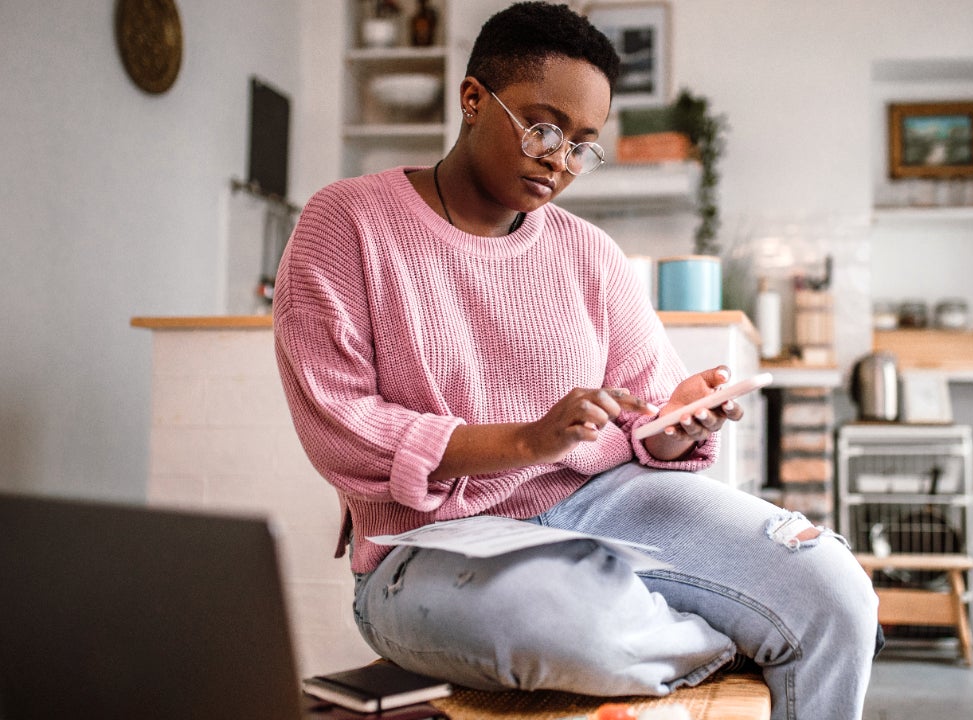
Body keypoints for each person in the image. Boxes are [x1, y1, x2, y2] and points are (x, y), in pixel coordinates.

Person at [273, 3, 879, 718]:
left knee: (835, 591)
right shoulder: (346, 222)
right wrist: (526, 441)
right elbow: (339, 426)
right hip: (424, 546)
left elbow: (647, 416)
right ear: (473, 100)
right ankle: (738, 633)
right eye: (543, 127)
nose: (560, 160)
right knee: (559, 622)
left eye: (583, 144)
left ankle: (709, 623)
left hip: (602, 503)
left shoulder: (587, 251)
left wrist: (676, 423)